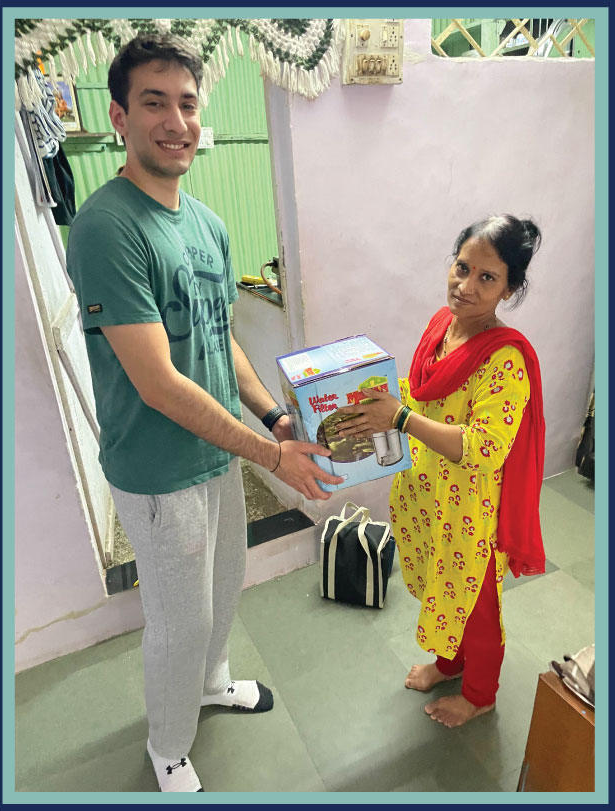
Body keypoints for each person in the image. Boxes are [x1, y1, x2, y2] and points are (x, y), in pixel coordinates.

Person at [66, 32, 342, 792]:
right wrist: (272, 457)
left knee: (223, 591)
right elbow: (157, 383)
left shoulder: (207, 224)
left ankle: (213, 683)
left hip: (218, 455)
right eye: (154, 102)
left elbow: (221, 341)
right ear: (119, 116)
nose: (176, 121)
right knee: (178, 620)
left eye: (187, 104)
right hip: (157, 470)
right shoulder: (107, 227)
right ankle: (168, 744)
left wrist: (274, 419)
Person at [336, 215, 546, 728]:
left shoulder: (505, 360)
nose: (466, 286)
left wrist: (400, 418)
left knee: (477, 605)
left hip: (471, 508)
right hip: (426, 491)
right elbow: (423, 395)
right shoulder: (441, 327)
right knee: (441, 585)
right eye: (462, 267)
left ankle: (480, 694)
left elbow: (484, 447)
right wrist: (376, 399)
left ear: (509, 289)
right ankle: (450, 664)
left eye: (487, 278)